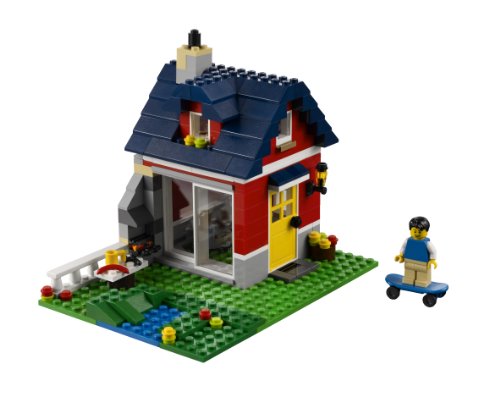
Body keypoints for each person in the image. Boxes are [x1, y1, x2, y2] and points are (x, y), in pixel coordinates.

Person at [394, 216, 437, 287]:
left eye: (420, 231)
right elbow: (403, 248)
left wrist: (432, 260)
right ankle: (408, 280)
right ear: (410, 230)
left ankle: (422, 282)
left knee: (422, 273)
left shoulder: (427, 243)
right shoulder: (407, 241)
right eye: (414, 231)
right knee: (409, 271)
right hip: (409, 260)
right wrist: (401, 255)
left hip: (423, 262)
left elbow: (433, 251)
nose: (417, 234)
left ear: (426, 231)